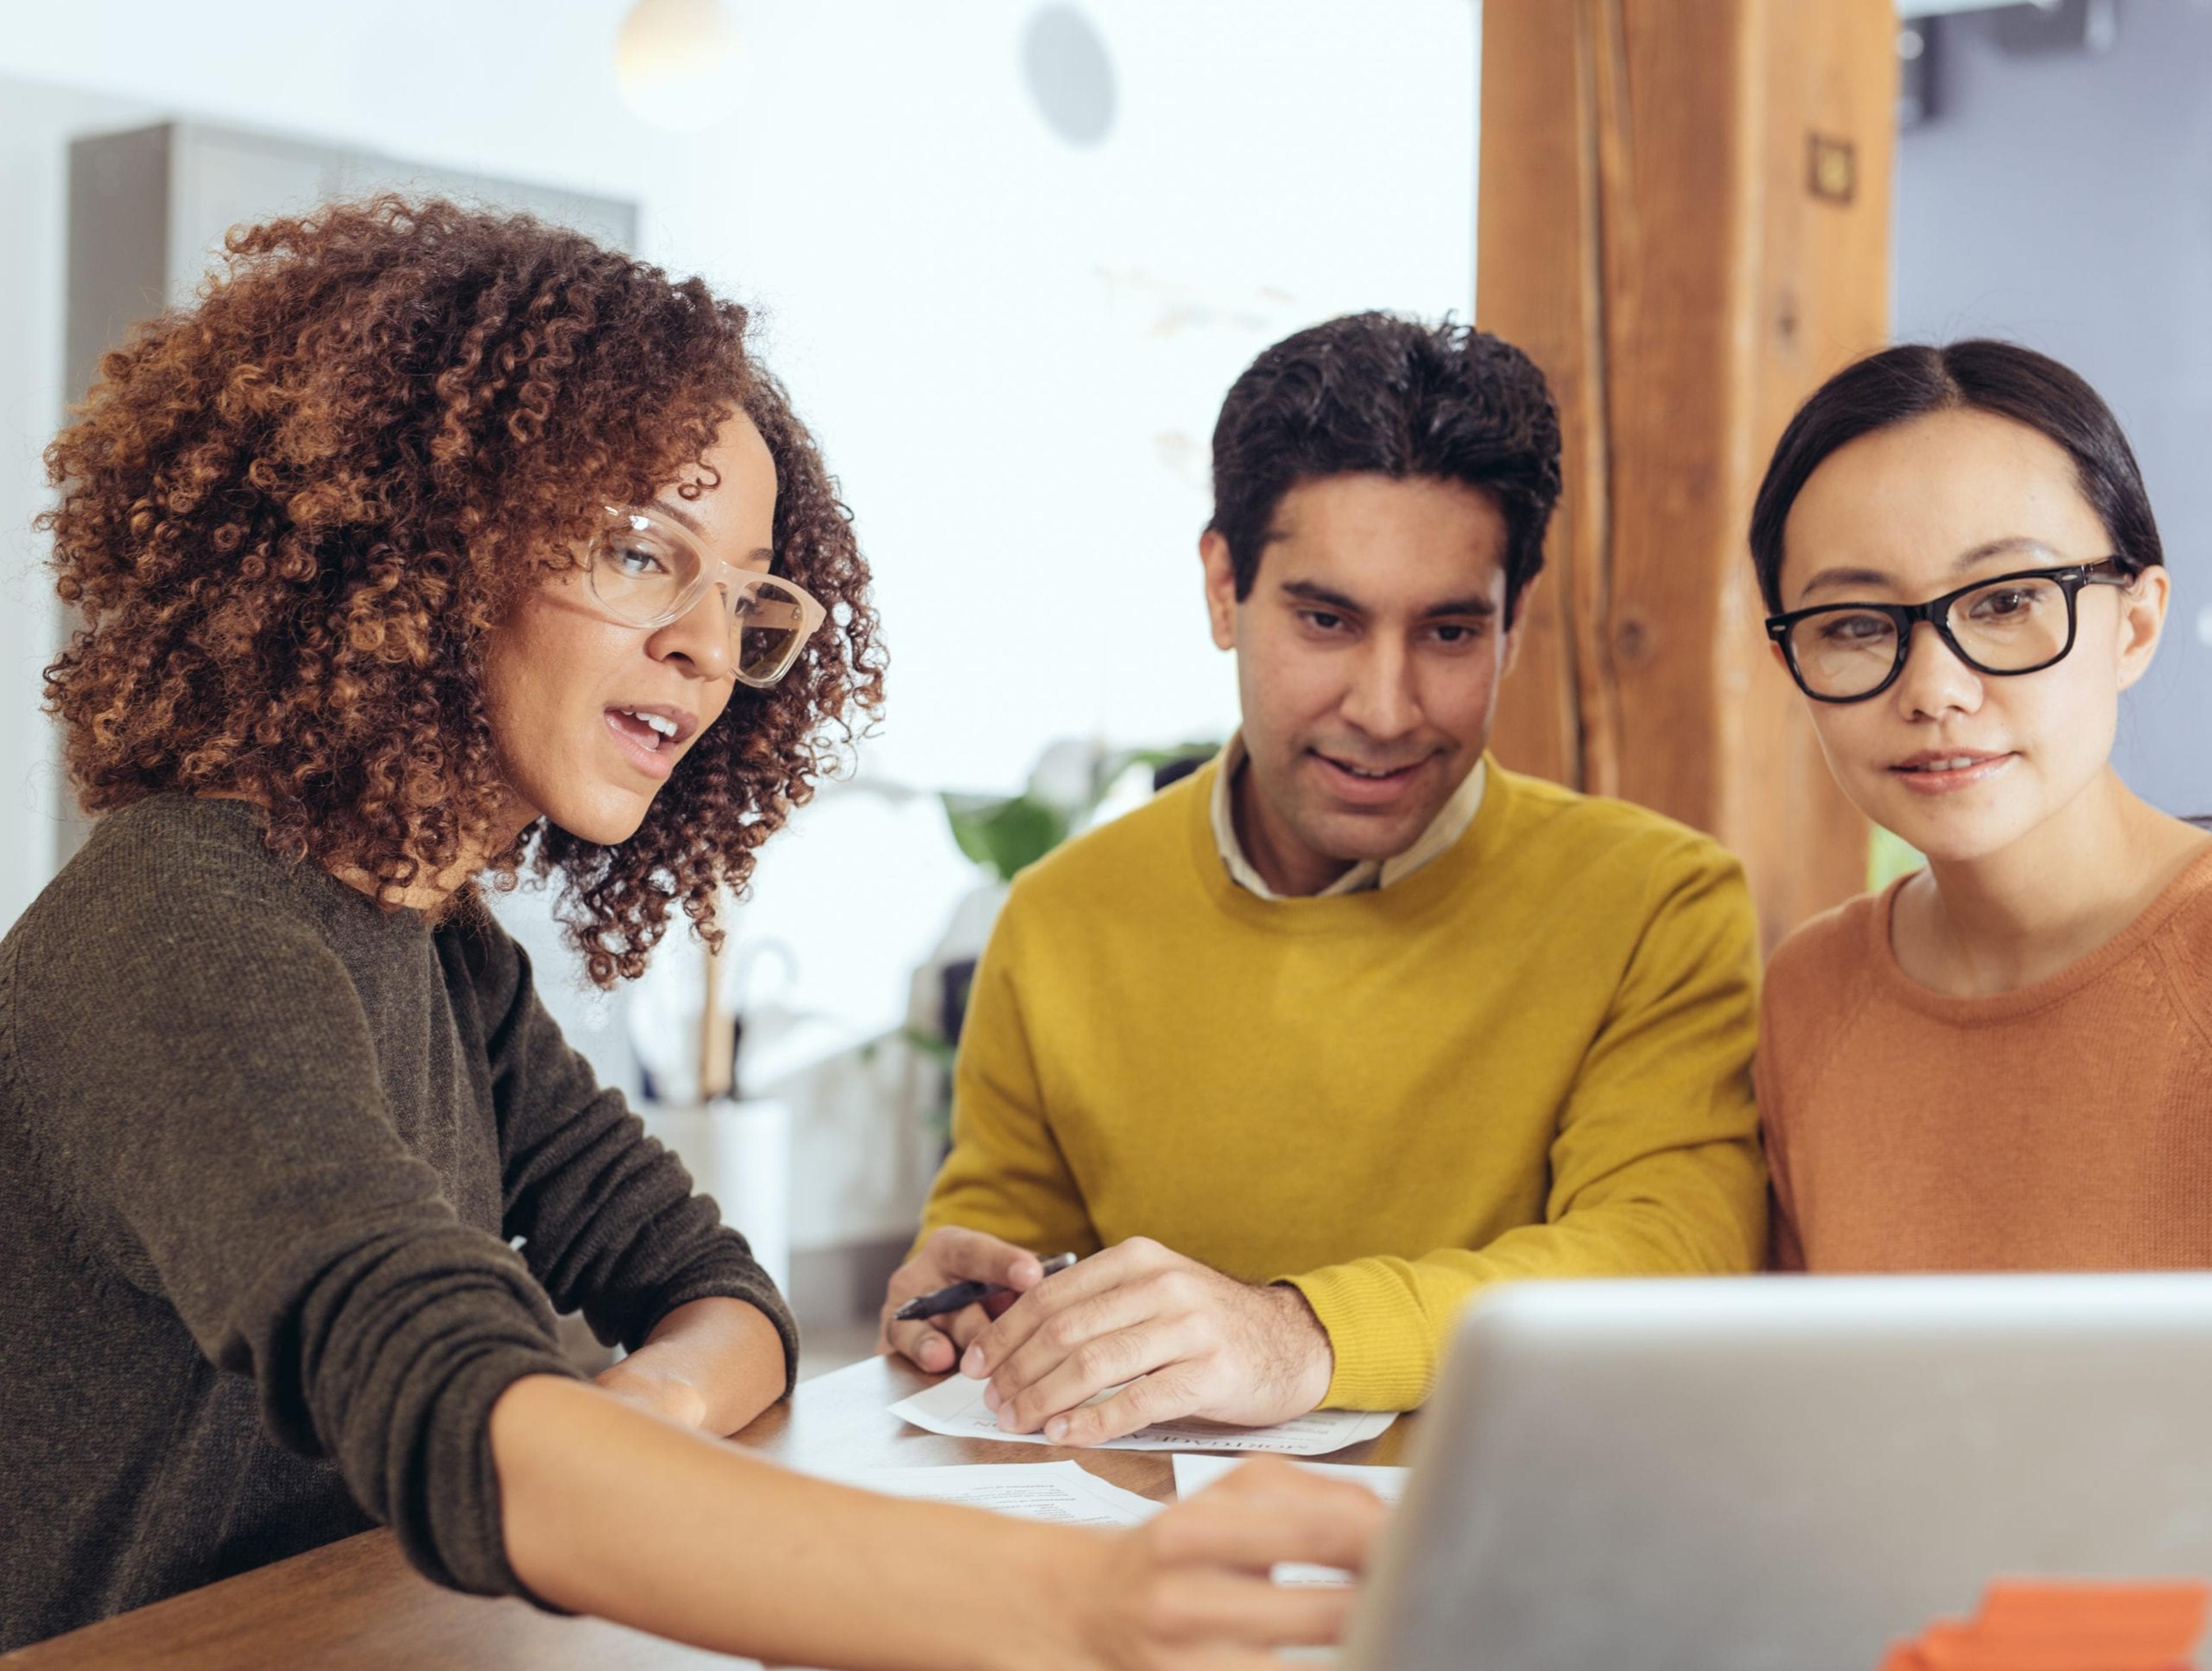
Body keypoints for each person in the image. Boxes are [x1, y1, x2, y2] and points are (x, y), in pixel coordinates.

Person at [0, 197, 1387, 1665]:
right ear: (425, 540)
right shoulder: (182, 925)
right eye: (644, 554)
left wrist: (638, 1416)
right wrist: (1081, 1602)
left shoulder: (443, 948)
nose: (711, 653)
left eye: (747, 599)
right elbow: (459, 1417)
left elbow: (717, 1289)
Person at [881, 312, 1768, 1443]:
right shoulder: (1062, 917)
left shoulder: (1657, 905)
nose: (1386, 708)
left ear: (1516, 622)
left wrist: (1296, 1336)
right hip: (1141, 1576)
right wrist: (962, 1307)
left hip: (1510, 1568)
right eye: (1326, 619)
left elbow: (1665, 1258)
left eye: (1450, 632)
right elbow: (1001, 1241)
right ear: (1222, 587)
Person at [1749, 339, 2212, 1272]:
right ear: (1792, 666)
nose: (1935, 690)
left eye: (2005, 602)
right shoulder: (1812, 994)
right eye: (1853, 625)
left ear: (2137, 624)